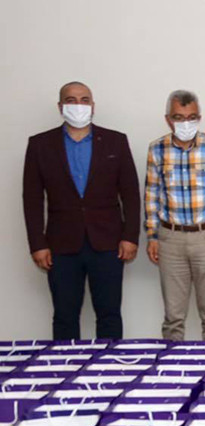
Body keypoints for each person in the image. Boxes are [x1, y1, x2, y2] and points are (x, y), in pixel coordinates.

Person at [23, 81, 140, 340]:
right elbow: (31, 199)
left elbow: (131, 194)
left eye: (84, 100)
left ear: (93, 106)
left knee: (109, 314)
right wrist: (37, 244)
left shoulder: (115, 141)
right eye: (71, 100)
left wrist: (130, 236)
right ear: (60, 106)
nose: (78, 105)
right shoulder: (40, 144)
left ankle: (110, 364)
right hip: (60, 245)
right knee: (64, 316)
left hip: (109, 243)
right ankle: (65, 365)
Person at [144, 90, 205, 341]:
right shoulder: (157, 149)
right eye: (179, 117)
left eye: (191, 117)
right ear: (168, 119)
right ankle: (172, 364)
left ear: (199, 118)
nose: (186, 123)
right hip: (170, 239)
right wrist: (152, 236)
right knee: (173, 318)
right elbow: (151, 195)